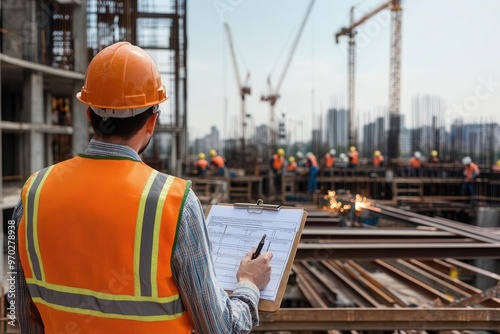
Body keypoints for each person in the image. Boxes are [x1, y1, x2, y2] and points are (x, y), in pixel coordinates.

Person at [13, 42, 272, 333]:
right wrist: (248, 284)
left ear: (89, 116)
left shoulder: (32, 195)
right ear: (152, 122)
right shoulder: (174, 202)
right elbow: (221, 328)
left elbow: (25, 317)